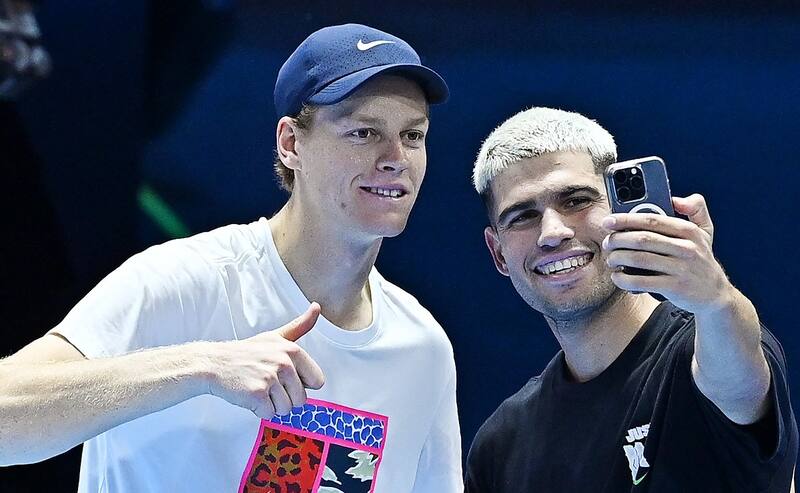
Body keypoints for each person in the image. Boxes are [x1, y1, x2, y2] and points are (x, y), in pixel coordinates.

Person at [0, 23, 462, 492]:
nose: (395, 157)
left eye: (413, 135)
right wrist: (203, 368)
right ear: (291, 143)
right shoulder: (179, 282)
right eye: (363, 133)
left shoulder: (422, 349)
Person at [463, 107, 797, 492]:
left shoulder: (702, 352)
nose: (552, 232)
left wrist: (715, 299)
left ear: (622, 210)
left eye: (576, 201)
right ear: (498, 253)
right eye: (522, 216)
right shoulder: (500, 446)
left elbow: (741, 385)